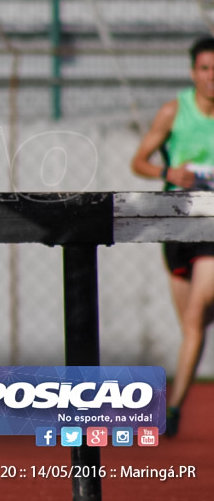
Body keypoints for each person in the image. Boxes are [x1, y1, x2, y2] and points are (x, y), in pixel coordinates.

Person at [131, 34, 214, 438]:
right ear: (192, 72)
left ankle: (175, 409)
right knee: (191, 326)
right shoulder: (173, 112)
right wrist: (170, 174)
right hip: (176, 224)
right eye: (205, 69)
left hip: (211, 230)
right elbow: (139, 161)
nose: (212, 77)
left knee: (197, 318)